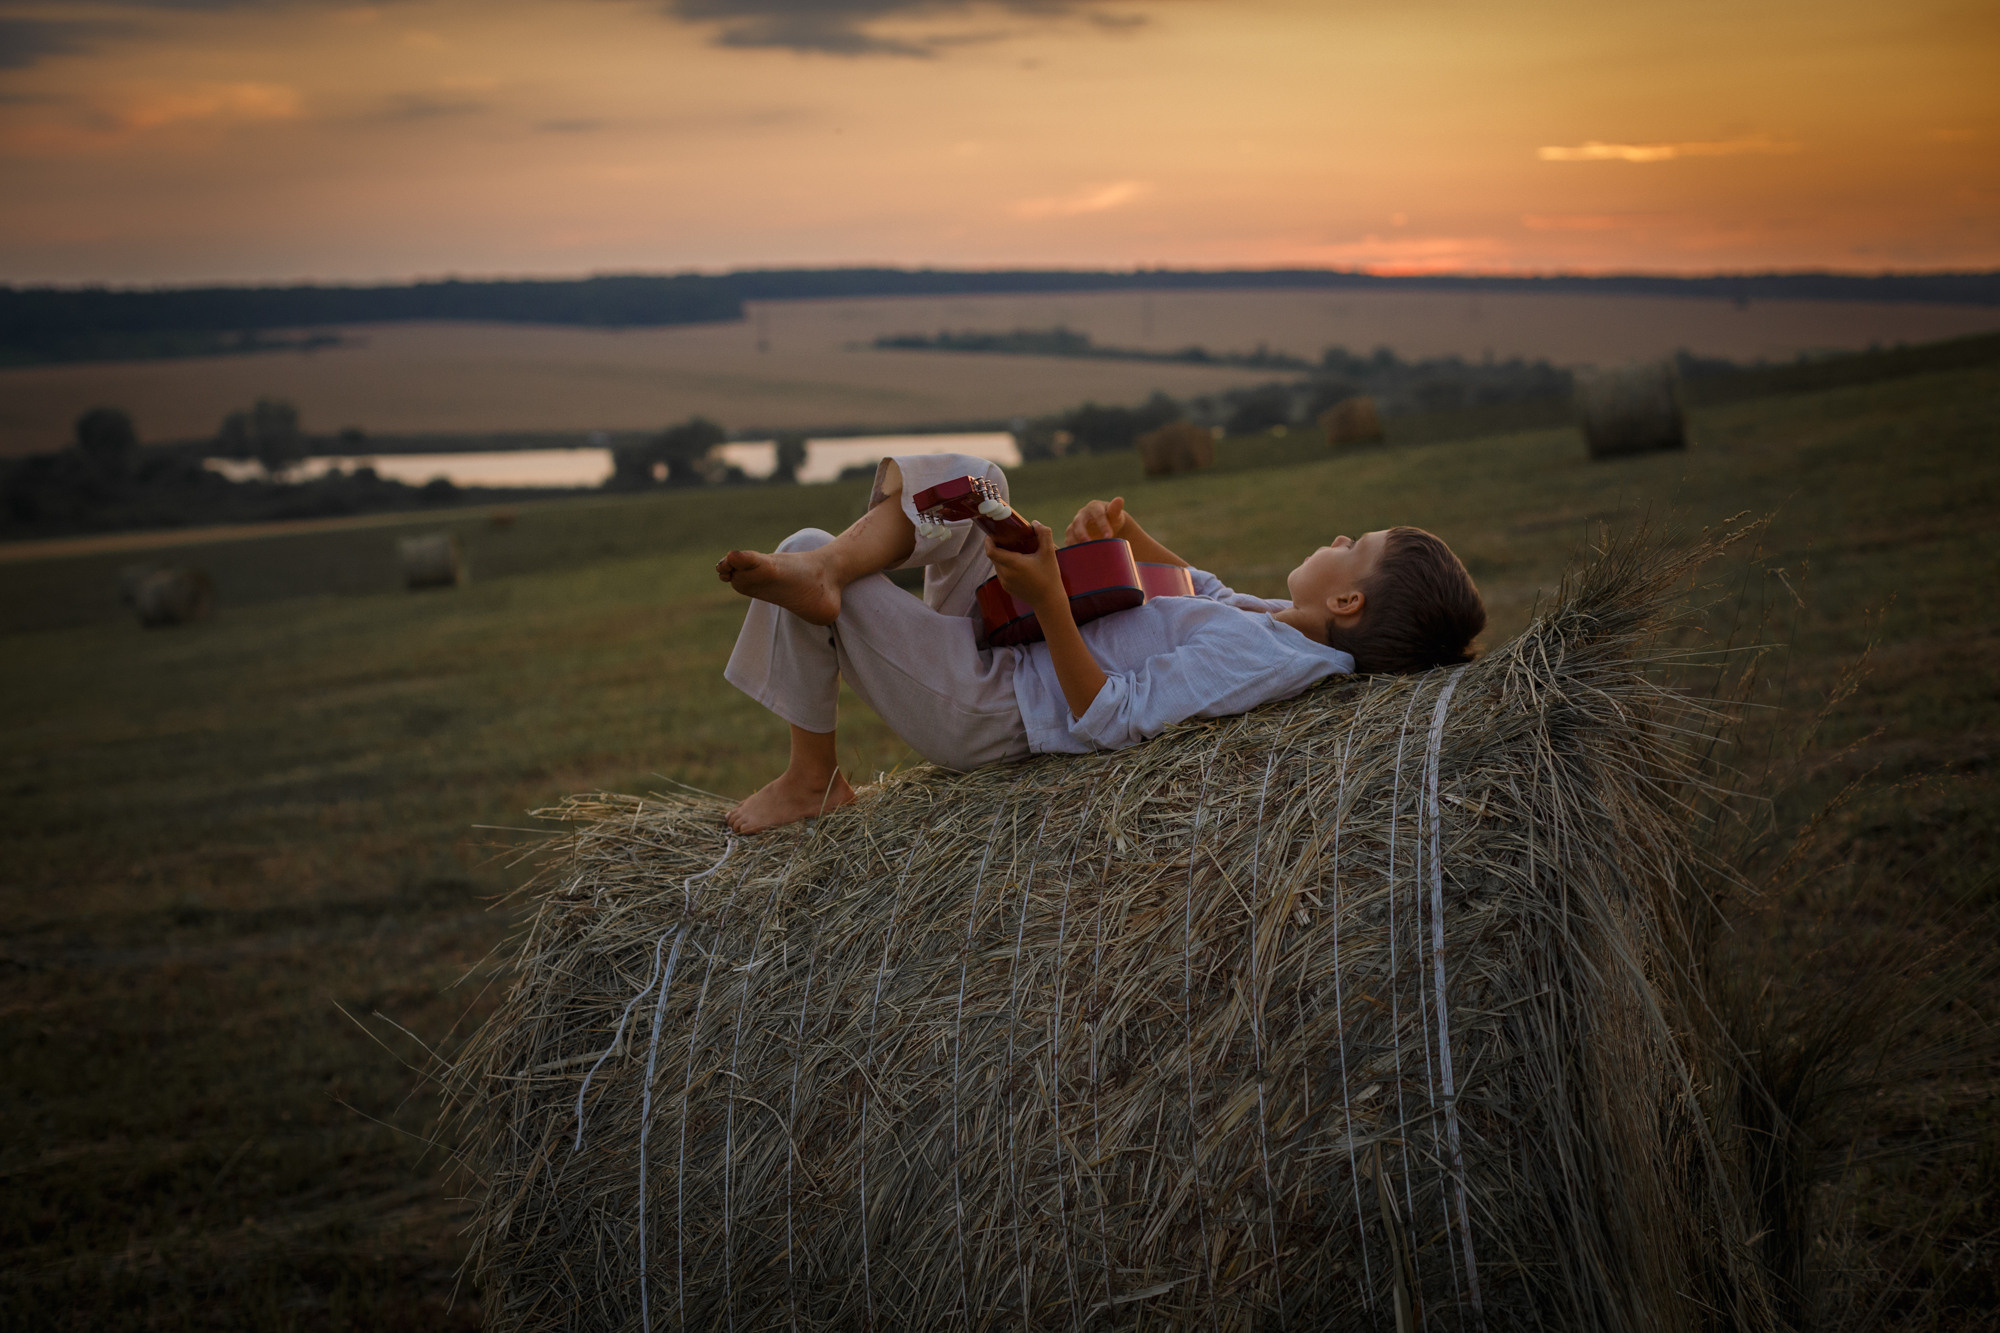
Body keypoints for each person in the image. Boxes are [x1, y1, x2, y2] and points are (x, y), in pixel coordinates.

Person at [716, 452, 1485, 833]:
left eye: (1357, 544)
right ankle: (826, 566)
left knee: (809, 537)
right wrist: (1125, 535)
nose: (1341, 535)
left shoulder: (1271, 660)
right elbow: (1198, 592)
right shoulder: (1288, 628)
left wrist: (1051, 595)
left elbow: (1109, 716)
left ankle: (812, 776)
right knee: (977, 481)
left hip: (997, 700)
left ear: (1348, 599)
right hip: (1011, 638)